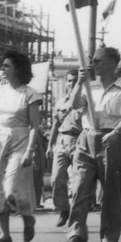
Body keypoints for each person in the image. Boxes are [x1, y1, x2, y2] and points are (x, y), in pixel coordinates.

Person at [61, 47, 121, 242]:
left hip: (111, 140)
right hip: (86, 139)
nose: (93, 64)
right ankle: (76, 233)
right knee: (79, 188)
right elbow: (75, 104)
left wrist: (116, 132)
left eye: (98, 60)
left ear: (112, 63)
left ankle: (109, 236)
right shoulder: (88, 86)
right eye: (92, 60)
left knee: (111, 191)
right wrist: (78, 82)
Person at [0, 51, 42, 242]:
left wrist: (30, 151)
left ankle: (27, 217)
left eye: (7, 66)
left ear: (17, 69)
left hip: (20, 141)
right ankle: (5, 235)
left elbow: (35, 126)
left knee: (11, 188)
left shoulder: (29, 94)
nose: (3, 70)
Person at [45, 69, 82, 227]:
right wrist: (50, 145)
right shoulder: (61, 102)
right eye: (69, 80)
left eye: (75, 80)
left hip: (78, 140)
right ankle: (64, 209)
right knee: (56, 179)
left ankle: (76, 214)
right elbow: (55, 124)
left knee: (78, 181)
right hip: (61, 140)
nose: (71, 83)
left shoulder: (83, 100)